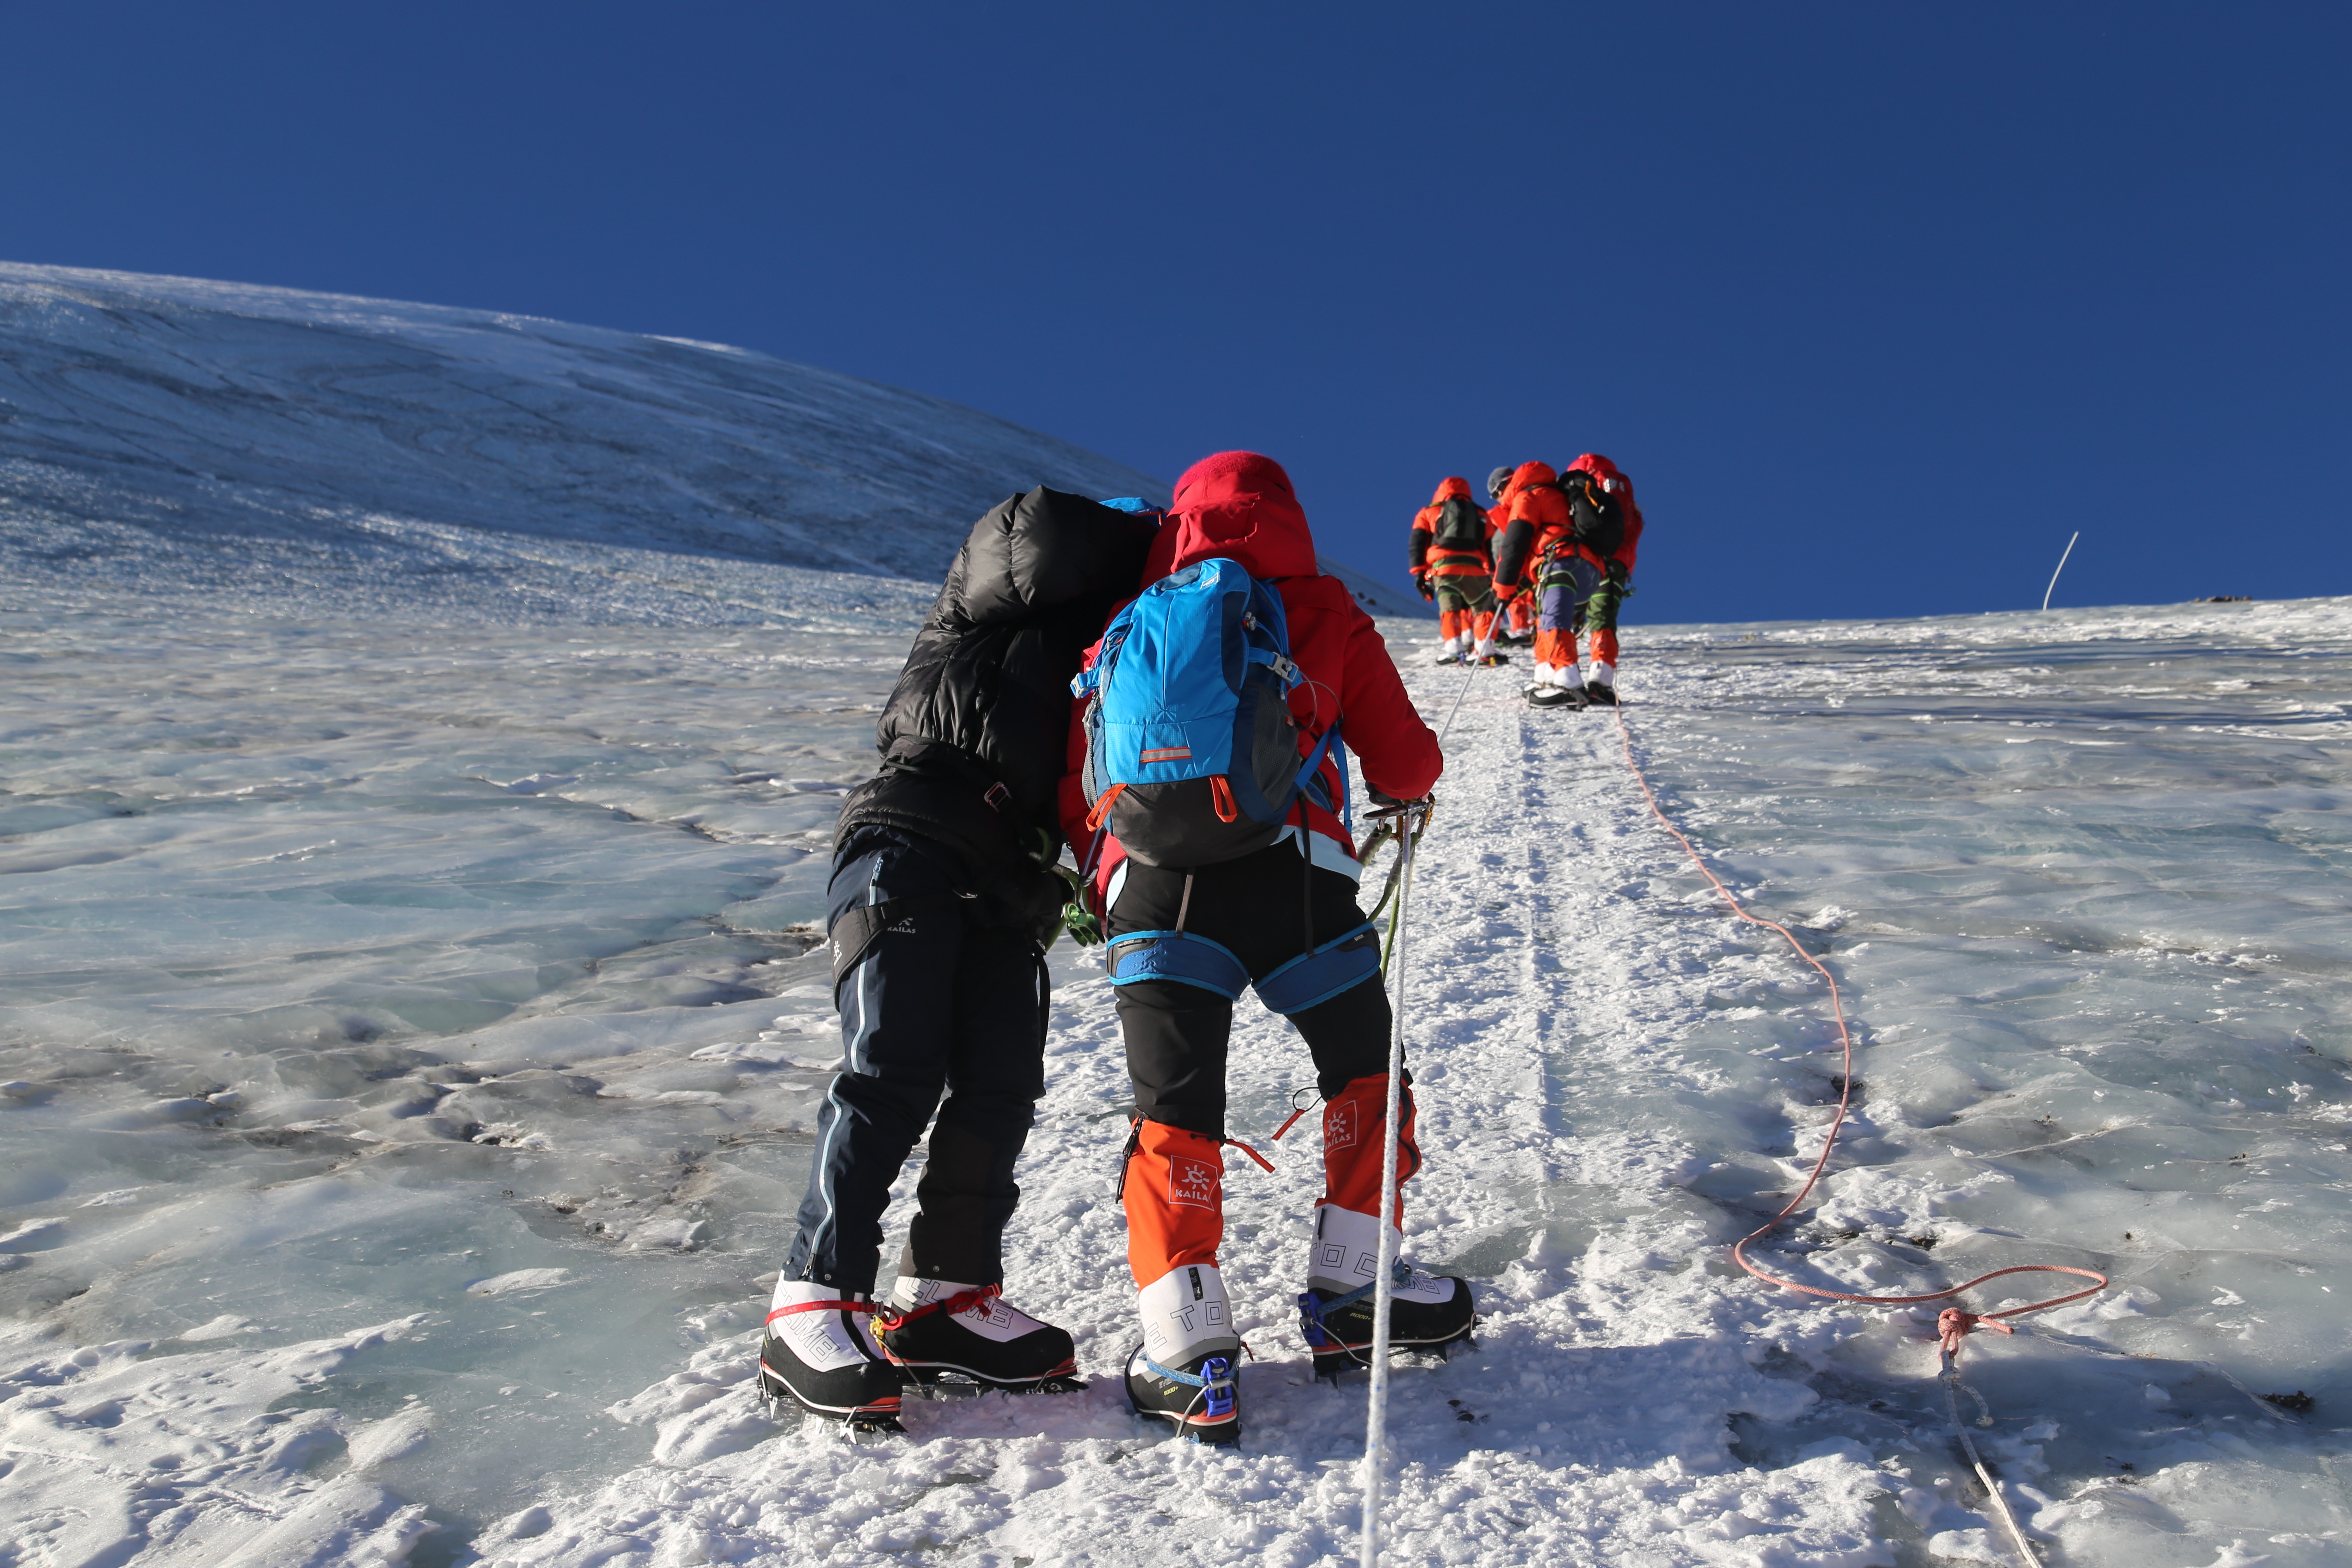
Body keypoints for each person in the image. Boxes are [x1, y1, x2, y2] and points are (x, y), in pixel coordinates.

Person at [1061, 451, 1472, 1446]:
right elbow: (1407, 758)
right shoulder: (1321, 608)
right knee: (1361, 1071)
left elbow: (1080, 774)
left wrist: (1101, 877)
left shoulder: (1135, 617)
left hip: (1154, 892)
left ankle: (1186, 1348)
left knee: (1174, 1109)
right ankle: (1353, 1289)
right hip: (1296, 886)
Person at [759, 487, 1156, 1427]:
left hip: (1010, 877)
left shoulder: (1112, 650)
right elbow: (1038, 537)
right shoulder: (1000, 583)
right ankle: (808, 1303)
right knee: (892, 1067)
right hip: (911, 833)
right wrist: (1153, 534)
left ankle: (947, 1299)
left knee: (999, 1085)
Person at [1407, 476, 1507, 666]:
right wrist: (1492, 571)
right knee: (1482, 609)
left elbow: (1417, 543)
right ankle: (1485, 650)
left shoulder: (1429, 511)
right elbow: (1491, 544)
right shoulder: (1480, 513)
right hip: (1475, 568)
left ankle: (1453, 649)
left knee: (1449, 607)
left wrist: (1419, 572)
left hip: (1444, 567)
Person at [1485, 466, 1536, 646]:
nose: (1497, 500)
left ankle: (1521, 629)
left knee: (1511, 590)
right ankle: (1540, 627)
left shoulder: (1512, 510)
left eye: (1494, 495)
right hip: (1544, 559)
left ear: (1500, 488)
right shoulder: (1539, 495)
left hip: (1516, 561)